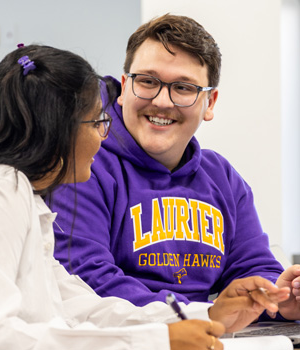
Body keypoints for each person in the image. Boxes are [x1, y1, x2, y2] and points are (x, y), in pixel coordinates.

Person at [50, 13, 300, 321]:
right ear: (125, 87)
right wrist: (202, 315)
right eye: (147, 81)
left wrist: (280, 299)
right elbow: (84, 283)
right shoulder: (84, 166)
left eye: (183, 88)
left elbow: (252, 268)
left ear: (210, 103)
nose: (162, 101)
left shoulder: (222, 177)